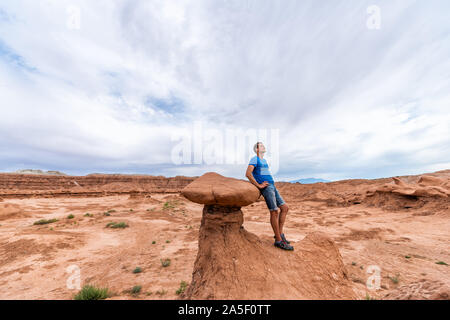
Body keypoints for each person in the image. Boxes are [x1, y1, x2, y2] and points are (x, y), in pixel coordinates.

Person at [245, 142, 294, 250]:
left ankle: (280, 234)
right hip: (267, 188)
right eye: (261, 146)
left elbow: (261, 174)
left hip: (272, 186)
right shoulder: (254, 159)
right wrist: (258, 185)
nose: (264, 146)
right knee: (274, 211)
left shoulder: (264, 161)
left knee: (285, 208)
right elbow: (248, 173)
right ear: (257, 149)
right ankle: (278, 241)